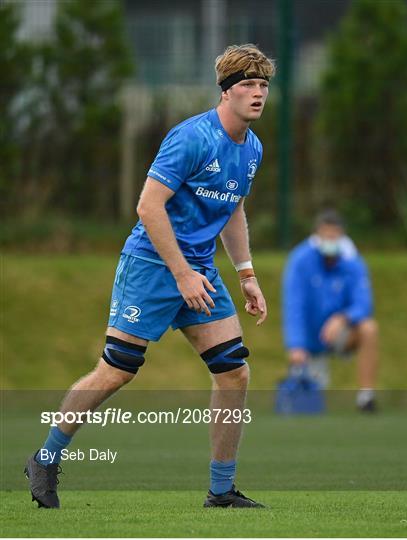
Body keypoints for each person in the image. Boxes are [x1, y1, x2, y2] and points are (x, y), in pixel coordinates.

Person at [25, 44, 276, 509]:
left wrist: (246, 274)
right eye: (247, 85)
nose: (257, 94)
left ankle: (221, 492)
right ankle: (45, 457)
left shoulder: (253, 148)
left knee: (234, 372)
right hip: (152, 266)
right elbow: (148, 206)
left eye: (263, 86)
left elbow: (234, 207)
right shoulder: (192, 138)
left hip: (197, 271)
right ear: (225, 92)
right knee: (117, 370)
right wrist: (180, 273)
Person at [282, 209, 379, 411]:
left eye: (335, 236)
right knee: (308, 405)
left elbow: (364, 303)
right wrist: (296, 345)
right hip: (309, 338)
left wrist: (343, 318)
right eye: (326, 235)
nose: (331, 240)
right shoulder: (300, 260)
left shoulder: (353, 261)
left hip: (339, 334)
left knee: (369, 328)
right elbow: (294, 305)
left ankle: (366, 397)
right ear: (316, 235)